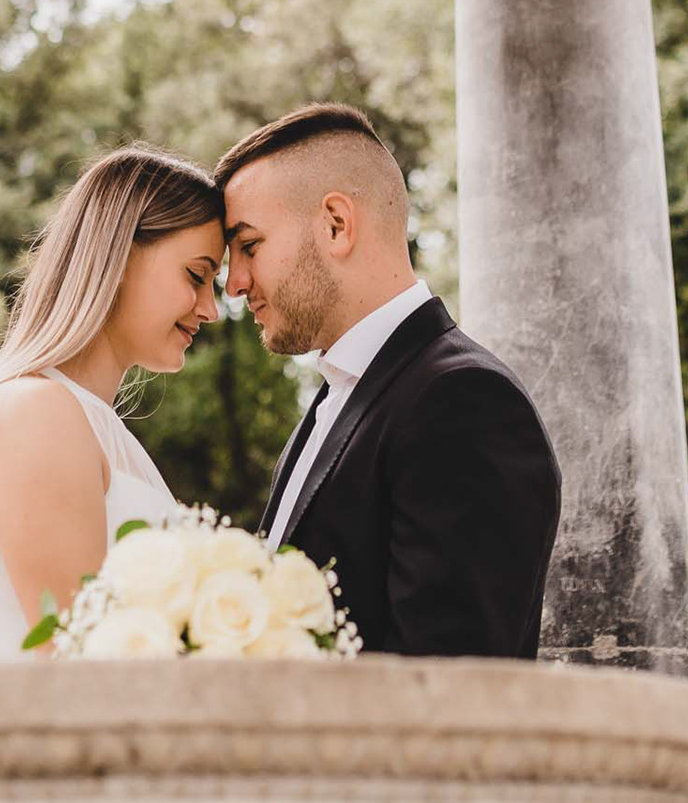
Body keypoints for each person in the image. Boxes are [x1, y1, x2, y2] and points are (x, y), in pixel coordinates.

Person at [217, 103, 561, 657]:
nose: (233, 284)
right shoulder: (332, 406)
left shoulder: (464, 403)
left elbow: (446, 684)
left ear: (336, 224)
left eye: (250, 245)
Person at [0, 145, 223, 661]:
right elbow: (77, 662)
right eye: (197, 276)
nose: (211, 309)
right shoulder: (29, 413)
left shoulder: (99, 431)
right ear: (120, 253)